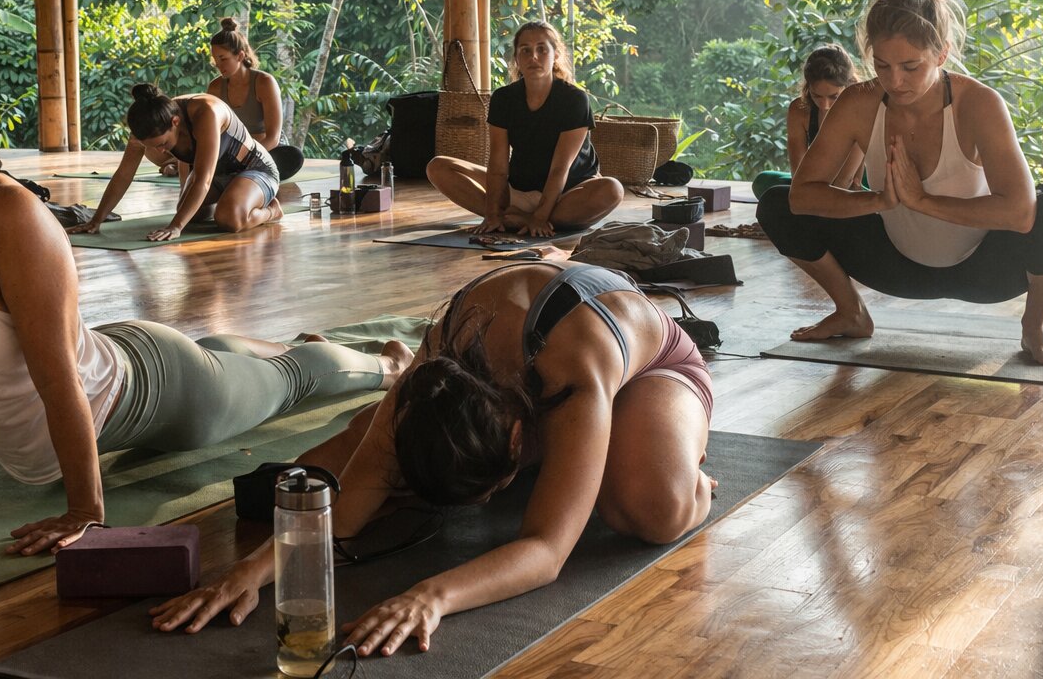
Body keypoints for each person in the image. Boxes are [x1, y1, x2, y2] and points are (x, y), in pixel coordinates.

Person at [0, 1, 411, 552]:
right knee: (222, 358)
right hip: (118, 356)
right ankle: (289, 348)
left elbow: (59, 378)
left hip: (150, 392)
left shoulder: (3, 215)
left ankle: (385, 364)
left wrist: (86, 511)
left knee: (286, 382)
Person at [150, 260, 715, 655]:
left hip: (653, 369)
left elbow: (545, 551)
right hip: (534, 393)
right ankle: (568, 463)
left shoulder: (573, 370)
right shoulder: (430, 375)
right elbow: (344, 515)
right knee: (332, 467)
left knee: (647, 509)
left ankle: (693, 474)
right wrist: (249, 572)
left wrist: (430, 597)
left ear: (519, 442)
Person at [757, 0, 1043, 365]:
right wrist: (880, 201)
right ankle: (852, 312)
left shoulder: (979, 104)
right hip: (894, 266)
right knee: (776, 203)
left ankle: (1034, 326)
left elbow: (1020, 213)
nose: (894, 81)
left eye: (910, 67)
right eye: (882, 65)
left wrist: (920, 200)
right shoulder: (859, 102)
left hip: (983, 270)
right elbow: (802, 198)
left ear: (942, 53)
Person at [426, 21, 623, 237]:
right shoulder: (503, 98)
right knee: (438, 167)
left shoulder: (574, 99)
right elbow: (498, 165)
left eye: (542, 49)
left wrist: (539, 217)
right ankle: (508, 217)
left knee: (613, 189)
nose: (534, 57)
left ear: (555, 54)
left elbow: (560, 169)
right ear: (517, 58)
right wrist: (491, 213)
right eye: (525, 50)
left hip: (567, 193)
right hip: (518, 189)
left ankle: (528, 219)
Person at [82, 85, 283, 242]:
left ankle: (272, 210)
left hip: (256, 170)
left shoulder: (206, 112)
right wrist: (96, 220)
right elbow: (124, 174)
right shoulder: (144, 126)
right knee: (191, 214)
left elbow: (203, 180)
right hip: (221, 177)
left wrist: (176, 227)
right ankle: (235, 198)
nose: (162, 152)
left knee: (229, 219)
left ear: (175, 122)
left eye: (163, 144)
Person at [751, 44, 865, 200]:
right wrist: (806, 195)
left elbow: (846, 180)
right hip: (816, 181)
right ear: (808, 88)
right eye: (817, 96)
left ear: (849, 86)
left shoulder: (860, 112)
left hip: (854, 183)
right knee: (763, 182)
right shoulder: (799, 110)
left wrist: (813, 204)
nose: (824, 106)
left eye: (834, 97)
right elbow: (798, 176)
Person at [206, 17, 304, 180]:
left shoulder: (265, 83)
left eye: (223, 59)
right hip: (231, 153)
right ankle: (238, 172)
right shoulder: (215, 87)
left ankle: (241, 172)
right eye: (215, 60)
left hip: (267, 150)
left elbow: (272, 138)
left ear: (240, 56)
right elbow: (211, 131)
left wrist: (244, 159)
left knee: (292, 157)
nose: (218, 64)